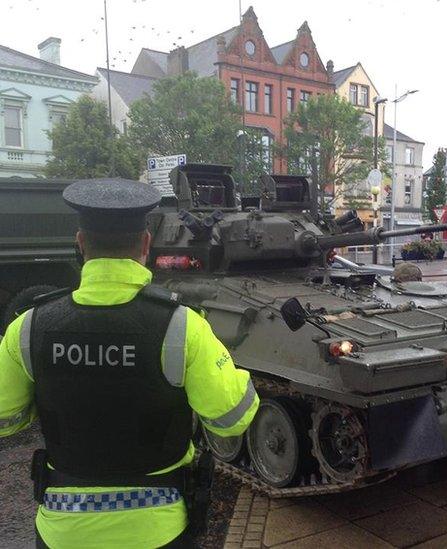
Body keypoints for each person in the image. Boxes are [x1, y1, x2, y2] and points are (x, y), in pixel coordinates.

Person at [0, 178, 259, 549]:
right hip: (158, 529)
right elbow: (232, 417)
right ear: (145, 245)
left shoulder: (30, 326)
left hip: (62, 530)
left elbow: (4, 421)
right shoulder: (182, 325)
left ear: (80, 243)